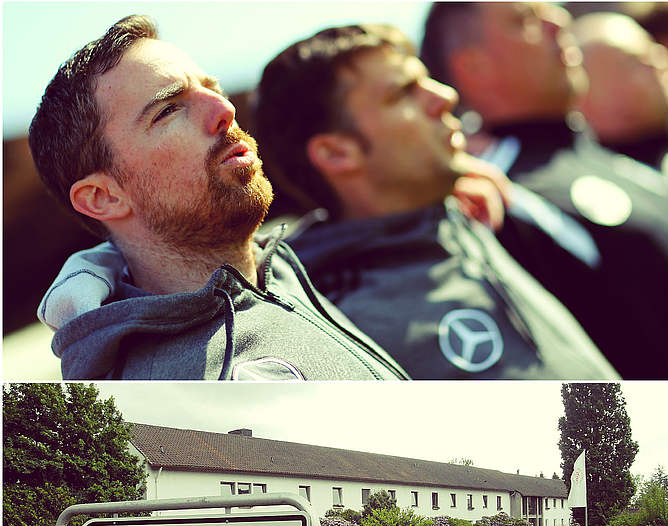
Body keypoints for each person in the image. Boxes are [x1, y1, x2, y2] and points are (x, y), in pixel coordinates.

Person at [28, 14, 408, 380]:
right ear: (103, 197)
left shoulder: (295, 273)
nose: (225, 109)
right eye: (168, 110)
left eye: (213, 89)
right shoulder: (168, 388)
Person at [253, 24, 616, 381]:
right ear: (336, 153)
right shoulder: (335, 325)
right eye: (403, 92)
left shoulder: (467, 211)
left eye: (426, 80)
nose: (445, 96)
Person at [421, 2, 668, 380]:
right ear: (475, 67)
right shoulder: (496, 205)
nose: (558, 23)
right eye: (525, 19)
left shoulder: (638, 165)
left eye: (552, 10)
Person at [572, 11, 668, 178]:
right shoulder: (589, 185)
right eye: (635, 61)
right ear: (582, 97)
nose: (659, 62)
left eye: (654, 50)